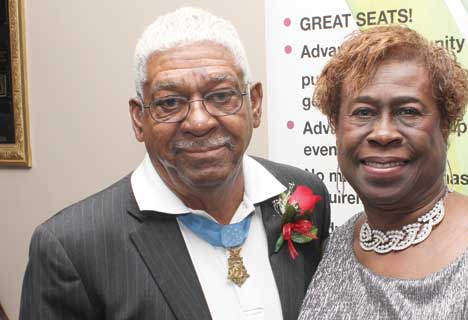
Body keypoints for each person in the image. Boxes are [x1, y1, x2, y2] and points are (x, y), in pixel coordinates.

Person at [20, 7, 330, 320]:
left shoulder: (303, 196)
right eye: (170, 102)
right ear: (139, 119)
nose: (199, 122)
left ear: (255, 104)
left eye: (221, 96)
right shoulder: (71, 247)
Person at [299, 26, 468, 319]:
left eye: (409, 111)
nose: (384, 133)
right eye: (363, 112)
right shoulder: (331, 250)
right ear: (336, 129)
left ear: (445, 126)